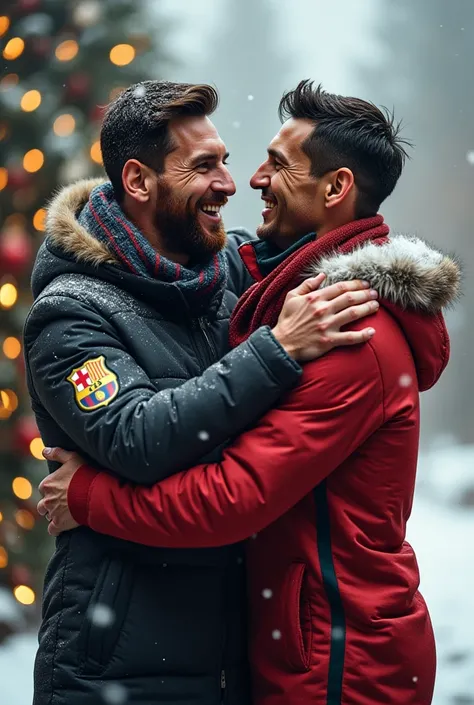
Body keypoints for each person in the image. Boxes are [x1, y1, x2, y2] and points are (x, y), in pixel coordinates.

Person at [40, 81, 461, 705]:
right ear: (138, 180)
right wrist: (277, 350)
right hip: (121, 664)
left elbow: (233, 498)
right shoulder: (75, 314)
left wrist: (90, 496)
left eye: (259, 164)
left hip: (313, 658)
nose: (242, 183)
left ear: (335, 187)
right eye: (205, 165)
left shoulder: (328, 323)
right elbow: (139, 436)